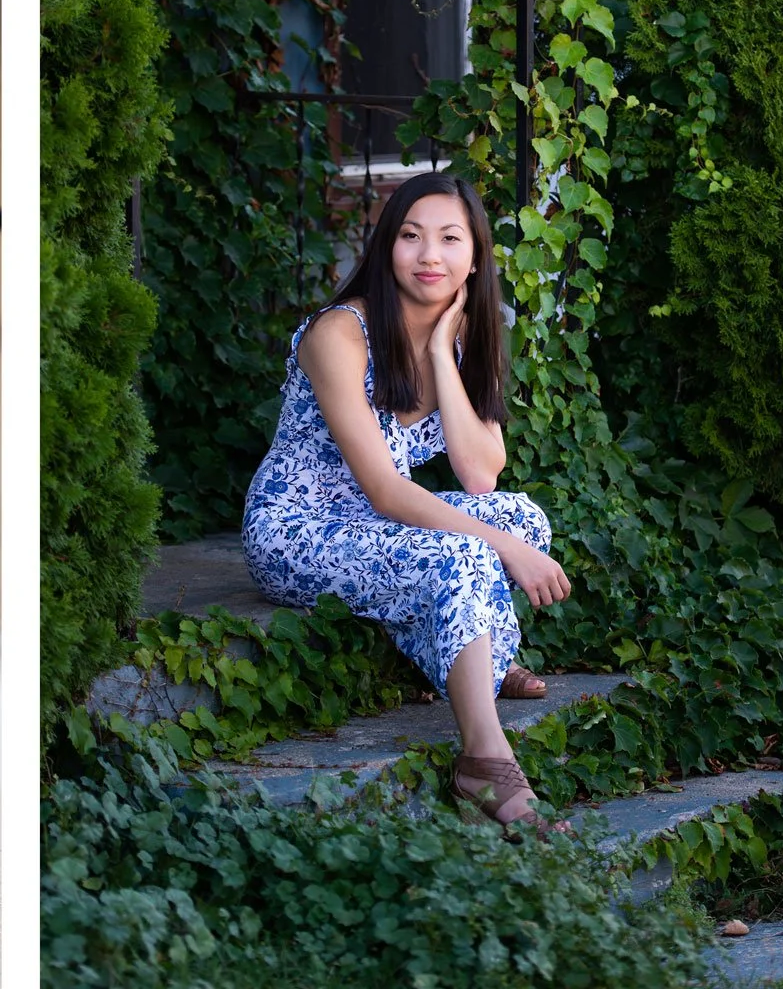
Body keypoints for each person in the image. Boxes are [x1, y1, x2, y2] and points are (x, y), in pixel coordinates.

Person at [242, 171, 570, 835]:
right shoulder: (339, 335)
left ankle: (483, 654)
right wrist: (498, 549)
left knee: (522, 518)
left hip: (375, 525)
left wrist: (445, 354)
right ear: (386, 245)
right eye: (411, 236)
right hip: (298, 529)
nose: (429, 256)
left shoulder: (461, 334)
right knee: (471, 548)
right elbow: (387, 489)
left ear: (474, 256)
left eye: (450, 240)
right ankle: (486, 756)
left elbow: (481, 475)